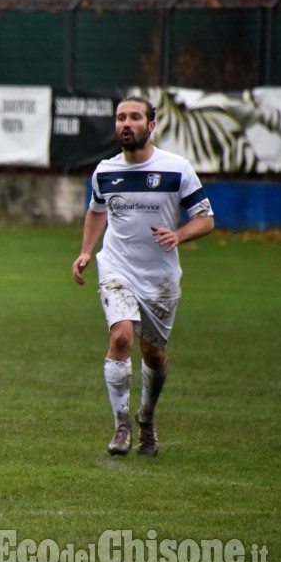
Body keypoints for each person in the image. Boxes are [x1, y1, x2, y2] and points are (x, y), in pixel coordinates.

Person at [71, 95, 214, 457]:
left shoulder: (176, 168)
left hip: (161, 278)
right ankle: (120, 427)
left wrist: (179, 235)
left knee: (153, 353)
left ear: (151, 126)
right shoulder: (105, 171)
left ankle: (146, 418)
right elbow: (96, 211)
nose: (126, 123)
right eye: (121, 117)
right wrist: (87, 251)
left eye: (135, 117)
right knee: (120, 338)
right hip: (117, 266)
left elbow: (206, 218)